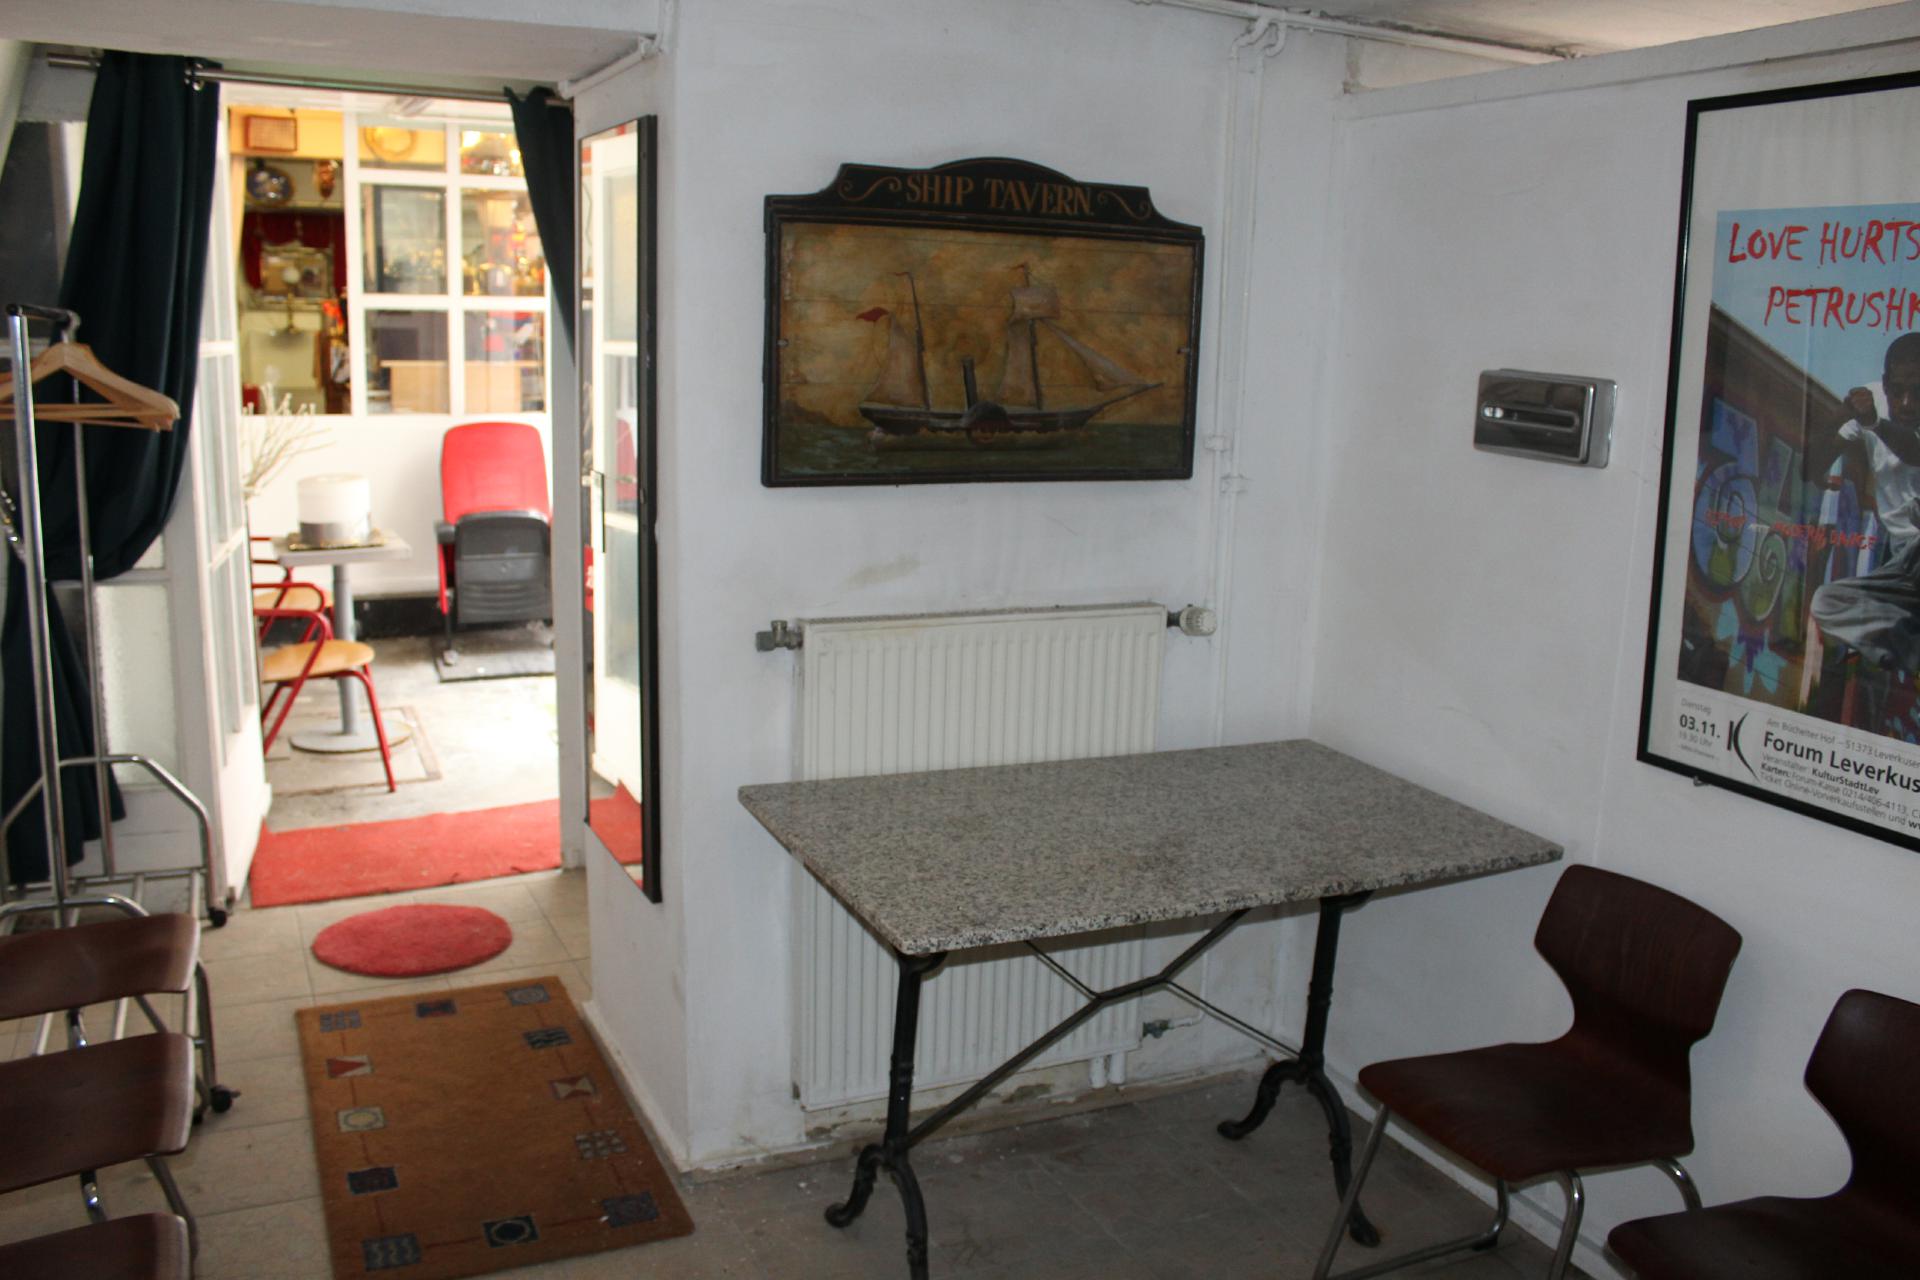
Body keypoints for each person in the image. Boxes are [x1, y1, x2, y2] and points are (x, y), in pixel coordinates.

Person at [1809, 331, 1920, 685]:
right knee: (1827, 602)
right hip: (1902, 559)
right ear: (1885, 385)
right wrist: (1840, 415)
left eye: (1918, 393)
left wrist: (1872, 423)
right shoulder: (1873, 402)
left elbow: (1914, 451)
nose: (1907, 404)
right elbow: (1812, 465)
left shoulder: (1876, 418)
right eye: (1898, 391)